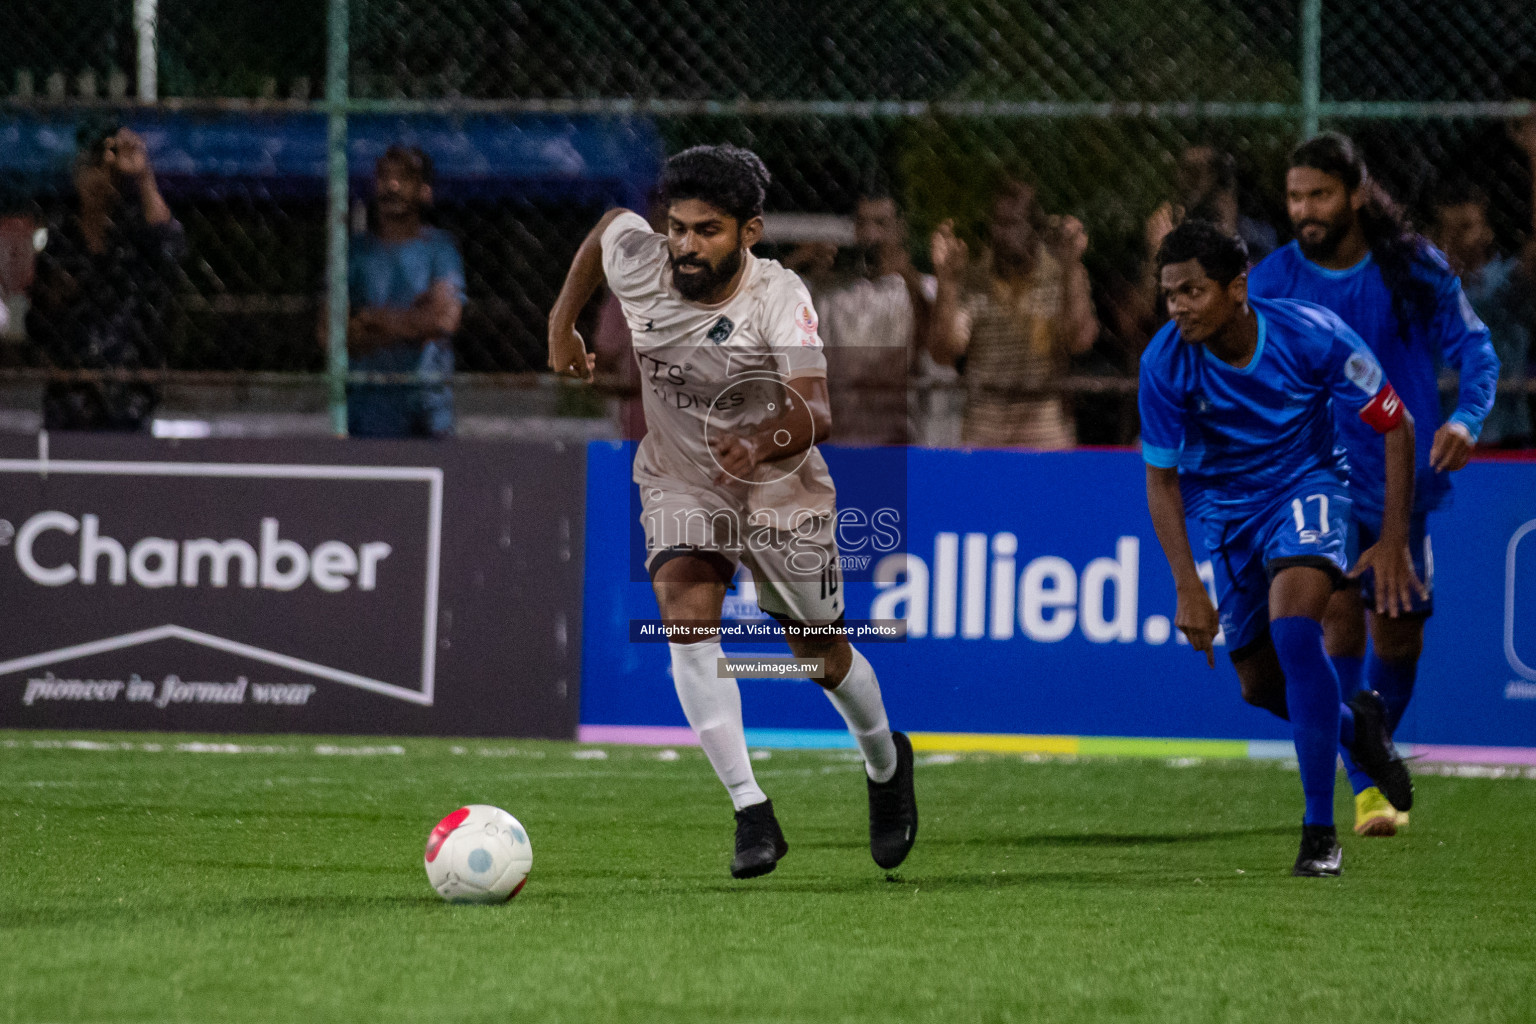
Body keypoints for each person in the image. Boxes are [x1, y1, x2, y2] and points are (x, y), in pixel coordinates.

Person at [546, 144, 918, 879]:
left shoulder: (779, 300)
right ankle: (751, 811)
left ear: (750, 231)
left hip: (779, 486)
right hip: (683, 476)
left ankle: (885, 763)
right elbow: (607, 229)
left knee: (820, 656)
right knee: (686, 617)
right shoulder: (642, 259)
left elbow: (817, 411)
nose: (685, 245)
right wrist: (565, 321)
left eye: (706, 231)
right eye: (678, 227)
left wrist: (759, 442)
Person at [1142, 220, 1419, 877]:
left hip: (1309, 489)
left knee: (1298, 635)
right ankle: (1360, 729)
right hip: (1230, 520)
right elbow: (1160, 482)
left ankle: (1319, 835)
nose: (1177, 306)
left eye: (1192, 291)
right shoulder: (1164, 363)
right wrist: (1188, 586)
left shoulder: (1312, 334)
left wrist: (1393, 540)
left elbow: (1396, 422)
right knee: (1259, 686)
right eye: (1169, 293)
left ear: (1238, 287)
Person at [1247, 133, 1500, 836]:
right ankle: (1367, 792)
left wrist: (1469, 418)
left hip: (1400, 480)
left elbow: (1474, 348)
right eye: (1295, 196)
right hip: (1312, 478)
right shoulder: (1271, 280)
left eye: (1319, 194)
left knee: (1399, 636)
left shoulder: (1410, 267)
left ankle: (1371, 738)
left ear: (1355, 194)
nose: (1305, 209)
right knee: (1334, 617)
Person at [26, 122, 184, 431]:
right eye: (92, 167)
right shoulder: (59, 238)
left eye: (107, 170)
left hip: (129, 399)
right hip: (71, 401)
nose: (100, 177)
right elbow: (39, 321)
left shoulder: (134, 231)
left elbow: (171, 246)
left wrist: (143, 176)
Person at [929, 180, 1098, 448]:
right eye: (997, 223)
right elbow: (945, 352)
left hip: (1042, 418)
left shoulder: (1059, 275)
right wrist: (947, 282)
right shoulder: (974, 278)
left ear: (1034, 228)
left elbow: (1079, 341)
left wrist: (1072, 268)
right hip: (985, 419)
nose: (1002, 234)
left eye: (1013, 224)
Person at [784, 192, 944, 446]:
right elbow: (761, 307)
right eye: (863, 224)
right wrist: (797, 262)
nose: (871, 235)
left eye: (881, 225)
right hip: (837, 436)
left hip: (896, 437)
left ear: (900, 229)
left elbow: (937, 341)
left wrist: (905, 271)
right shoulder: (828, 293)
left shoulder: (919, 288)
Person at [344, 145, 465, 438]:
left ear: (424, 191)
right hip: (366, 415)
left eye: (405, 178)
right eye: (384, 177)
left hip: (428, 411)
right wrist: (415, 323)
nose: (392, 186)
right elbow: (331, 332)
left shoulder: (440, 250)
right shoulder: (354, 254)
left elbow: (444, 320)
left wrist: (370, 319)